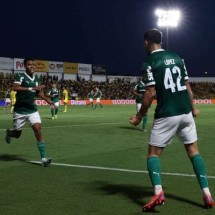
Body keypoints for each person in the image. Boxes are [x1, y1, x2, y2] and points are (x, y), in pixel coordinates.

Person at [129, 29, 215, 211]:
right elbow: (187, 85)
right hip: (185, 112)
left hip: (167, 113)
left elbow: (150, 93)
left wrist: (139, 116)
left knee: (153, 154)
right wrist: (193, 108)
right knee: (194, 152)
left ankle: (158, 192)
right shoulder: (177, 57)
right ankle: (207, 193)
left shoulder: (149, 62)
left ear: (146, 43)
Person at [5, 58, 54, 167]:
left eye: (34, 65)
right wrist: (32, 87)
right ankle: (9, 133)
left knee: (37, 129)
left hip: (32, 109)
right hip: (20, 111)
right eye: (29, 65)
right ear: (25, 66)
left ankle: (44, 158)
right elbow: (15, 88)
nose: (32, 66)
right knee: (17, 134)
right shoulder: (21, 76)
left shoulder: (37, 78)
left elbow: (38, 92)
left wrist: (47, 99)